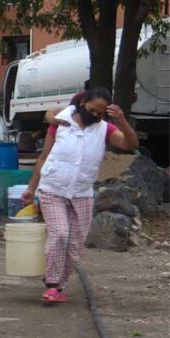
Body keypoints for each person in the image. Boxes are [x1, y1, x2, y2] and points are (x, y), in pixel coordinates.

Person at [22, 87, 139, 304]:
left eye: (100, 113)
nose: (95, 116)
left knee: (75, 242)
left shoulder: (104, 129)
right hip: (53, 187)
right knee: (59, 234)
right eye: (93, 110)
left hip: (82, 191)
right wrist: (30, 188)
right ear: (83, 102)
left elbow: (130, 145)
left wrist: (122, 121)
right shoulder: (61, 123)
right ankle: (52, 284)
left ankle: (60, 284)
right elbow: (43, 157)